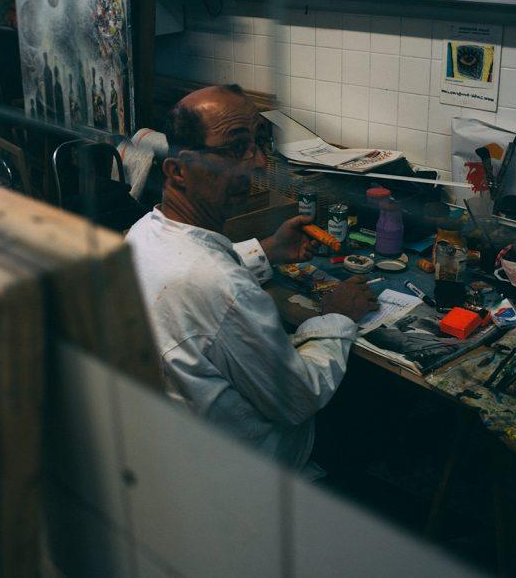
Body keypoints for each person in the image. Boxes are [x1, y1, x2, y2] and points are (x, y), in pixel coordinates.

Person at [126, 85, 377, 470]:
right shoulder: (222, 287)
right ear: (178, 171)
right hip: (247, 464)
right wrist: (337, 316)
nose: (258, 162)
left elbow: (192, 270)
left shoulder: (143, 232)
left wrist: (269, 249)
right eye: (236, 148)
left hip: (170, 442)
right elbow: (300, 397)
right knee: (370, 408)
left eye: (259, 143)